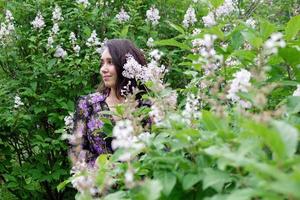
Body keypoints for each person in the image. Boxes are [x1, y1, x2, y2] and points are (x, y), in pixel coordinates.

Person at [71, 39, 151, 167]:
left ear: (125, 65)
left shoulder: (146, 105)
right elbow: (75, 149)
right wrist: (98, 163)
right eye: (102, 63)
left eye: (110, 62)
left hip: (139, 183)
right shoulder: (88, 105)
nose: (103, 69)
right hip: (102, 183)